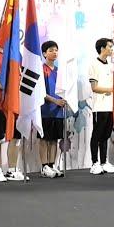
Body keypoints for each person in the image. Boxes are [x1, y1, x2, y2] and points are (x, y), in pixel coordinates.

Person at [0, 25, 27, 182]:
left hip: (15, 103)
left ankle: (12, 169)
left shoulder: (16, 55)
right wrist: (13, 85)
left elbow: (22, 78)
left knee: (15, 136)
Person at [88, 38, 114, 175]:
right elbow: (94, 87)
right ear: (102, 48)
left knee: (106, 135)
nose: (112, 49)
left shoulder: (111, 65)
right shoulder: (94, 64)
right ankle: (94, 162)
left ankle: (104, 161)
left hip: (110, 106)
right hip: (99, 106)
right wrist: (112, 90)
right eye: (110, 47)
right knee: (97, 134)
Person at [39, 41, 65, 178]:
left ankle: (52, 164)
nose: (54, 52)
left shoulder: (59, 71)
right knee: (44, 139)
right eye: (51, 50)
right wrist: (55, 101)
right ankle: (44, 167)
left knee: (55, 139)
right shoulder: (42, 69)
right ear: (44, 53)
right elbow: (41, 91)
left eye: (56, 50)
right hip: (45, 111)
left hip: (58, 111)